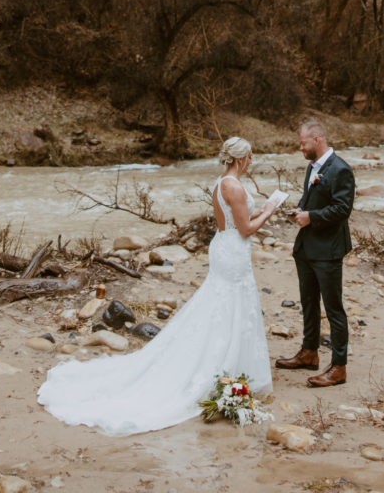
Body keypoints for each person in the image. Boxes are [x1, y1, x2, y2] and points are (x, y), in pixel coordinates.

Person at [38, 136, 279, 434]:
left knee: (223, 305)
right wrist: (269, 210)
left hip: (225, 246)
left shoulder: (221, 183)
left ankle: (229, 365)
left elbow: (234, 220)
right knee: (229, 305)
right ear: (241, 159)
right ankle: (218, 367)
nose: (252, 162)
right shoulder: (234, 185)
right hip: (233, 251)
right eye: (251, 157)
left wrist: (257, 212)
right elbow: (245, 228)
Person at [276, 120, 355, 387]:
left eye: (303, 143)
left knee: (334, 309)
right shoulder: (313, 167)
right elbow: (312, 200)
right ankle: (309, 353)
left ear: (318, 139)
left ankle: (339, 367)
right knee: (308, 303)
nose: (300, 147)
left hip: (329, 249)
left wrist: (311, 217)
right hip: (307, 247)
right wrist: (300, 211)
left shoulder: (340, 169)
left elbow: (343, 209)